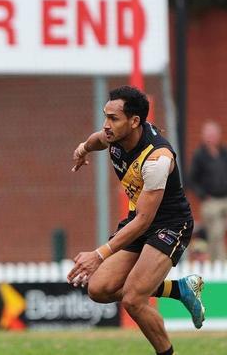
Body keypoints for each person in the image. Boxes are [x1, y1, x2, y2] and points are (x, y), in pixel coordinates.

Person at [67, 86, 205, 355]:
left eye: (113, 118)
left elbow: (144, 220)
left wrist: (99, 253)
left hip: (170, 225)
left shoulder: (157, 159)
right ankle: (180, 289)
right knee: (99, 289)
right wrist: (83, 149)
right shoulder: (115, 135)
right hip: (140, 220)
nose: (106, 125)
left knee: (133, 299)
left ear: (134, 122)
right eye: (105, 116)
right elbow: (97, 139)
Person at [188, 120, 227, 261]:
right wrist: (203, 195)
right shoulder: (199, 155)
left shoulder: (224, 152)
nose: (212, 138)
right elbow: (191, 179)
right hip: (211, 202)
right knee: (216, 232)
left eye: (214, 134)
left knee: (217, 232)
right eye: (209, 135)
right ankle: (221, 262)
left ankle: (214, 260)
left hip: (226, 199)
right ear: (203, 136)